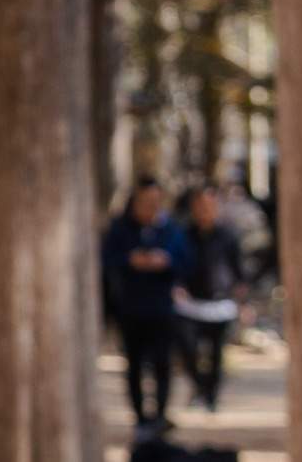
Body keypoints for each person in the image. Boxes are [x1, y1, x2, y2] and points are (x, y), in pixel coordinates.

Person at [100, 177, 194, 436]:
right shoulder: (120, 230)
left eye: (154, 202)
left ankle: (160, 416)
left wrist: (167, 262)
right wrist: (131, 260)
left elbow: (187, 263)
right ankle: (140, 417)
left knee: (163, 364)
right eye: (145, 202)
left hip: (163, 309)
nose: (150, 208)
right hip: (130, 309)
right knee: (134, 365)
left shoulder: (171, 230)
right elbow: (106, 261)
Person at [176, 185, 249, 413]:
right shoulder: (183, 235)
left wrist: (244, 303)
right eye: (200, 205)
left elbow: (239, 271)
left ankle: (211, 396)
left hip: (221, 304)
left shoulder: (229, 236)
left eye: (209, 205)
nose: (204, 210)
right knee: (189, 350)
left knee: (216, 355)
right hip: (191, 304)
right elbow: (174, 267)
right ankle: (199, 387)